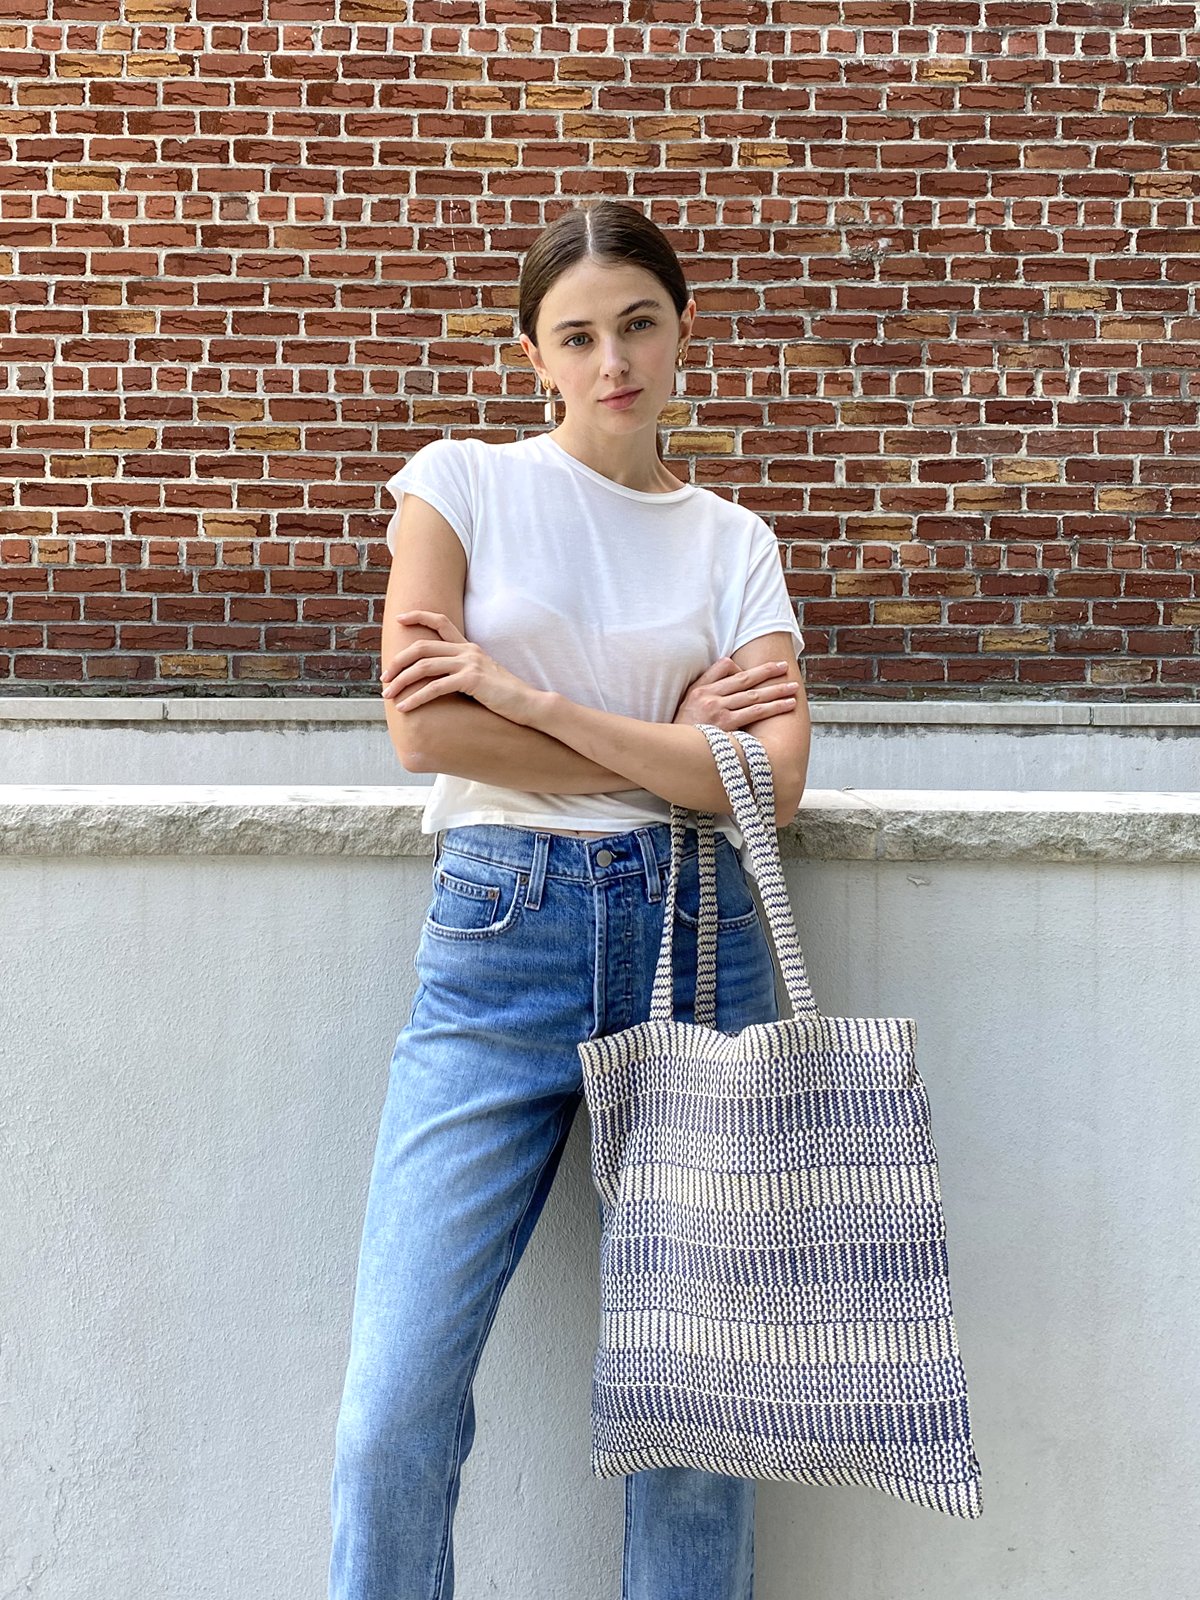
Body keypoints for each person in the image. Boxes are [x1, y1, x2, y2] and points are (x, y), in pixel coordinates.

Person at [328, 199, 811, 1600]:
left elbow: (770, 784)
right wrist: (670, 736)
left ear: (683, 331)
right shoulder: (459, 484)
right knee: (391, 1411)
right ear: (534, 353)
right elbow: (427, 736)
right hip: (499, 945)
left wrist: (532, 697)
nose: (615, 361)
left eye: (640, 324)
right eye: (579, 335)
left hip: (697, 939)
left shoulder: (732, 543)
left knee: (696, 1423)